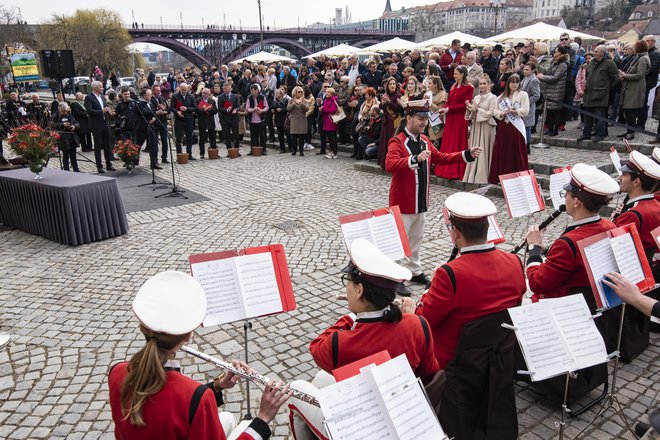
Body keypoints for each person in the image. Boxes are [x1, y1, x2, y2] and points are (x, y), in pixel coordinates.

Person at [108, 271, 291, 439]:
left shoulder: (116, 372)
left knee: (226, 417)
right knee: (244, 424)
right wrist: (262, 419)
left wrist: (217, 386)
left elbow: (171, 403)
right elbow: (184, 402)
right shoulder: (197, 398)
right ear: (189, 335)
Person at [288, 239, 440, 440]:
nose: (347, 289)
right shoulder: (417, 325)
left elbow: (317, 346)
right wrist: (409, 317)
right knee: (320, 380)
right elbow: (430, 374)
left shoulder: (340, 344)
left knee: (295, 389)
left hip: (363, 427)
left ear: (359, 291)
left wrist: (352, 315)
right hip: (402, 417)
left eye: (348, 283)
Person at [401, 192, 525, 368]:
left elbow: (425, 319)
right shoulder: (515, 261)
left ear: (456, 233)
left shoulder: (449, 274)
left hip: (455, 359)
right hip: (498, 352)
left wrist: (429, 289)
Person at [385, 103, 480, 294]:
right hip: (402, 202)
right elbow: (390, 164)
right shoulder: (397, 141)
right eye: (420, 119)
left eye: (425, 119)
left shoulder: (426, 141)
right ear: (409, 118)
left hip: (420, 200)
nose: (424, 123)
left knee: (416, 238)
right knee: (399, 241)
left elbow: (442, 158)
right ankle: (394, 277)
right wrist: (414, 159)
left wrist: (466, 154)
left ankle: (414, 269)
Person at [525, 163, 619, 299]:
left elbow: (538, 284)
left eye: (566, 194)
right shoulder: (610, 226)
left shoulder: (567, 243)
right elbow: (574, 261)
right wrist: (545, 250)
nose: (564, 198)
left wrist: (533, 248)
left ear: (576, 202)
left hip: (566, 304)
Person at [612, 151, 660, 278]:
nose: (619, 178)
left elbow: (612, 252)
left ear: (636, 181)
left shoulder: (632, 215)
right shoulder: (656, 205)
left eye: (624, 174)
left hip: (631, 276)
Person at [488, 74, 530, 184]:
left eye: (517, 82)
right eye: (512, 82)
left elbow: (525, 110)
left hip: (516, 127)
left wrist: (515, 111)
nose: (514, 84)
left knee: (516, 152)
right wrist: (502, 113)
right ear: (508, 83)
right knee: (503, 151)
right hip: (504, 127)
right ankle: (502, 176)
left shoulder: (523, 95)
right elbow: (495, 111)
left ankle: (517, 177)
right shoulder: (501, 97)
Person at [436, 65, 474, 180]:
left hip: (459, 118)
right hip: (451, 117)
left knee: (457, 142)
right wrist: (445, 108)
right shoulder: (453, 85)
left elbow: (465, 105)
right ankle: (445, 168)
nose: (454, 75)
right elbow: (449, 101)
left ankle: (455, 171)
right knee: (449, 142)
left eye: (456, 73)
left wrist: (449, 109)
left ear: (462, 74)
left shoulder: (469, 87)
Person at [577, 45, 620, 143]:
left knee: (599, 115)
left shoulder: (609, 64)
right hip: (589, 93)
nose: (594, 53)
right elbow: (587, 74)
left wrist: (606, 88)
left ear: (602, 52)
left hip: (601, 94)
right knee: (588, 115)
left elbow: (615, 78)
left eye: (596, 51)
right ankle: (586, 133)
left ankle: (600, 134)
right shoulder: (592, 63)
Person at [463, 74, 497, 184]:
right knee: (474, 148)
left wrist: (478, 109)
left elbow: (491, 114)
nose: (482, 86)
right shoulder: (476, 97)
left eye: (484, 84)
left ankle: (483, 175)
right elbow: (471, 116)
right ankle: (472, 173)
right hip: (476, 127)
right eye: (480, 84)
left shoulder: (493, 98)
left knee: (484, 149)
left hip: (486, 127)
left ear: (489, 85)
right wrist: (470, 109)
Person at [618, 40, 651, 140]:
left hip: (635, 88)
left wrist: (625, 75)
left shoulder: (643, 59)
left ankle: (631, 132)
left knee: (630, 109)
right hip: (630, 86)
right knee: (627, 110)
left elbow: (639, 75)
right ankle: (628, 130)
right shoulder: (639, 57)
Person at [84, 81, 116, 173]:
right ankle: (99, 166)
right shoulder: (89, 97)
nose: (102, 88)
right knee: (98, 146)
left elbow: (105, 107)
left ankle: (108, 164)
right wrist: (101, 111)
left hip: (105, 123)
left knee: (107, 144)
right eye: (101, 87)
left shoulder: (102, 97)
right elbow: (89, 111)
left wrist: (108, 111)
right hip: (96, 125)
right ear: (95, 88)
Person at [537, 45, 568, 137]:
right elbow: (547, 72)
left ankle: (555, 130)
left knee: (555, 111)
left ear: (560, 53)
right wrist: (538, 66)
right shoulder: (554, 62)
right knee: (550, 111)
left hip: (557, 90)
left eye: (556, 51)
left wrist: (542, 77)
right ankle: (550, 128)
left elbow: (556, 77)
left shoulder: (563, 64)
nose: (554, 53)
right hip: (550, 90)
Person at [377, 77, 403, 168]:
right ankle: (384, 163)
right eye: (390, 84)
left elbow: (398, 109)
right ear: (387, 86)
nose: (392, 85)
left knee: (392, 142)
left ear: (396, 85)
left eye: (394, 84)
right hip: (386, 122)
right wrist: (382, 103)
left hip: (394, 122)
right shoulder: (385, 95)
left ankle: (393, 162)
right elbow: (381, 107)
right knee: (385, 142)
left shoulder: (398, 95)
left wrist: (388, 102)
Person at [134, 88, 161, 169]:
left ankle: (154, 163)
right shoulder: (139, 103)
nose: (151, 96)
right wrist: (156, 113)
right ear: (144, 96)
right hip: (141, 128)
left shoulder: (150, 103)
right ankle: (133, 161)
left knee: (153, 145)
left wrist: (154, 118)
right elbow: (144, 112)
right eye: (149, 95)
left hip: (151, 127)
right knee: (138, 145)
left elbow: (152, 112)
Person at [170, 83, 197, 160]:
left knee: (189, 137)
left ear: (188, 89)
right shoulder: (175, 96)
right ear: (179, 89)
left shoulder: (191, 96)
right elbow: (172, 107)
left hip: (189, 120)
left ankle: (189, 154)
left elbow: (195, 107)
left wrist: (187, 109)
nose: (184, 91)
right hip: (179, 120)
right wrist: (177, 111)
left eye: (185, 90)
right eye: (182, 90)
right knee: (178, 138)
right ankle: (179, 155)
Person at [50, 102, 80, 172]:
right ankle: (66, 170)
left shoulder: (69, 115)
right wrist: (62, 125)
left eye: (66, 111)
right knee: (65, 156)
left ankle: (76, 169)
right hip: (63, 139)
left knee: (73, 155)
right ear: (59, 109)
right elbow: (51, 125)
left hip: (72, 137)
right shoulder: (55, 116)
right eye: (63, 111)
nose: (65, 113)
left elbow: (77, 123)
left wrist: (74, 126)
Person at [424, 75, 448, 148]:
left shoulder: (443, 94)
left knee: (436, 146)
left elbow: (439, 109)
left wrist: (429, 102)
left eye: (430, 83)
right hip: (427, 122)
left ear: (435, 84)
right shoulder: (428, 94)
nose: (428, 85)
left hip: (437, 122)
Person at [217, 82, 241, 153]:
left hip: (234, 118)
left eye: (226, 88)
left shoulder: (235, 96)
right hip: (225, 118)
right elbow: (220, 108)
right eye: (224, 88)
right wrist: (226, 110)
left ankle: (236, 150)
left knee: (236, 135)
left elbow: (238, 106)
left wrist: (235, 110)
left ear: (230, 88)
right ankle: (229, 150)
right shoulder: (220, 97)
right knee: (226, 135)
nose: (225, 90)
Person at [196, 87, 218, 159]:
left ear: (209, 94)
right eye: (203, 93)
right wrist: (205, 109)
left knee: (212, 137)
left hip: (210, 121)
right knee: (202, 139)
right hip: (202, 121)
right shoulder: (198, 100)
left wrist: (210, 109)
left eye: (206, 93)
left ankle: (213, 151)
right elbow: (197, 111)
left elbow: (215, 111)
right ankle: (202, 153)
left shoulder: (212, 101)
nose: (204, 95)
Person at [287, 86, 309, 156]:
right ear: (295, 93)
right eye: (299, 92)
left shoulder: (305, 101)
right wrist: (294, 103)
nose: (300, 93)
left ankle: (301, 151)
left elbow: (307, 109)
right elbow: (288, 108)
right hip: (294, 121)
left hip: (302, 121)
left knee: (301, 137)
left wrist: (301, 103)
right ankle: (294, 150)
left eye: (301, 92)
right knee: (294, 137)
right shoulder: (291, 100)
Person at [151, 84, 170, 164]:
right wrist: (157, 109)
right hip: (155, 122)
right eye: (157, 90)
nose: (159, 92)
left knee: (165, 140)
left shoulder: (162, 98)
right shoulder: (151, 99)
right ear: (153, 91)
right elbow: (150, 110)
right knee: (154, 142)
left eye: (160, 90)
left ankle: (164, 157)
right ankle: (155, 160)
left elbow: (168, 109)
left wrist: (165, 110)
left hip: (163, 122)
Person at [319, 87, 339, 159]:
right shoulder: (326, 100)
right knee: (330, 138)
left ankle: (334, 152)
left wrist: (323, 108)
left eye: (328, 92)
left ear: (332, 94)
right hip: (326, 121)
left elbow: (333, 110)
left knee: (332, 138)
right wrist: (321, 109)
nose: (326, 93)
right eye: (326, 92)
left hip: (331, 121)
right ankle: (332, 151)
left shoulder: (333, 100)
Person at [271, 88, 289, 153]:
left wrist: (281, 110)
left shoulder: (286, 100)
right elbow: (272, 108)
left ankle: (291, 147)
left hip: (285, 120)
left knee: (288, 134)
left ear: (281, 94)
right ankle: (282, 149)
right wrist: (272, 110)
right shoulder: (274, 101)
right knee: (280, 135)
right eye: (276, 93)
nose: (276, 94)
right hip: (278, 120)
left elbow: (288, 109)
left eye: (277, 93)